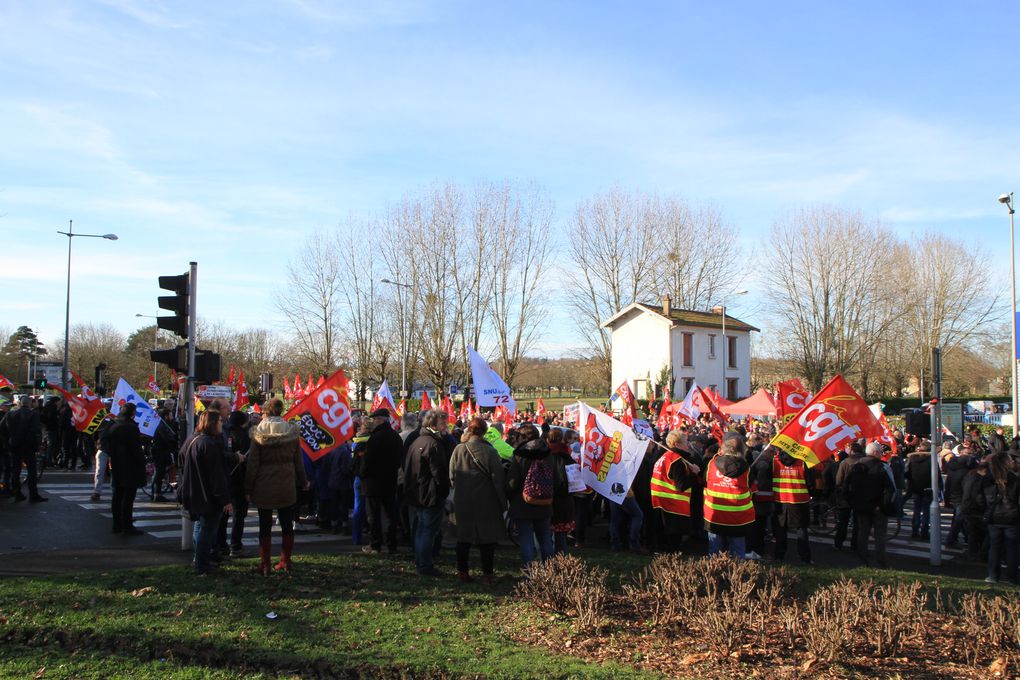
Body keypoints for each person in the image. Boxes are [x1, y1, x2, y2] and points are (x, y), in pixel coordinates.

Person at [244, 398, 308, 575]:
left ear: (266, 411)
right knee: (287, 523)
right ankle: (285, 560)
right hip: (286, 483)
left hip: (264, 484)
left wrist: (248, 488)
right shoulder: (291, 432)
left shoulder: (258, 433)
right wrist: (304, 481)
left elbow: (253, 465)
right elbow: (298, 462)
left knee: (264, 525)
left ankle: (265, 564)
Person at [449, 417, 507, 583]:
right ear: (484, 431)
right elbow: (498, 478)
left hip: (463, 500)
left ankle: (462, 572)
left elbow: (452, 476)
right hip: (485, 499)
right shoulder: (490, 451)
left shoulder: (458, 449)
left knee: (463, 538)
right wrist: (502, 501)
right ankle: (487, 574)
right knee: (486, 540)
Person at [179, 410, 233, 575]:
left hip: (196, 492)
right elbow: (216, 477)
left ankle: (200, 560)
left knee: (202, 528)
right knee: (207, 530)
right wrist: (225, 500)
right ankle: (202, 564)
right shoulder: (209, 445)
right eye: (219, 422)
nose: (221, 425)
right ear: (213, 423)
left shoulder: (194, 440)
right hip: (207, 495)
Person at [403, 409, 451, 576]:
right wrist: (443, 492)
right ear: (433, 424)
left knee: (421, 529)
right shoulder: (433, 444)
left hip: (418, 492)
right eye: (443, 422)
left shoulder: (417, 441)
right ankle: (424, 565)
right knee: (427, 530)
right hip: (429, 494)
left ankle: (420, 561)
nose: (445, 426)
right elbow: (440, 474)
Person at [506, 423, 557, 566]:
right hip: (544, 502)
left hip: (523, 503)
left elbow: (512, 482)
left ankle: (529, 572)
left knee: (526, 540)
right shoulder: (548, 454)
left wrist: (510, 496)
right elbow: (556, 477)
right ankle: (549, 571)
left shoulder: (520, 455)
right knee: (545, 539)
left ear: (523, 437)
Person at [360, 408, 403, 555]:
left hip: (373, 482)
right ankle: (392, 545)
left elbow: (368, 460)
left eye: (375, 419)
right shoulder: (395, 437)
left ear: (380, 419)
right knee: (390, 514)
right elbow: (399, 460)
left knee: (374, 515)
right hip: (390, 481)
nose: (373, 422)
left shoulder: (376, 437)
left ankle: (375, 545)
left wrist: (362, 474)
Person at [703, 434, 754, 559]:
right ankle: (735, 578)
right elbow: (751, 486)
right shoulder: (746, 468)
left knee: (714, 554)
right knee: (737, 554)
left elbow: (705, 480)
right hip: (738, 518)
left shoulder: (711, 464)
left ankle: (714, 577)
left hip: (714, 515)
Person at [845, 441, 895, 567]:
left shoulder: (856, 466)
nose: (881, 454)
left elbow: (846, 487)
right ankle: (880, 562)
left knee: (862, 533)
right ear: (876, 453)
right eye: (880, 452)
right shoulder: (883, 467)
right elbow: (891, 488)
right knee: (880, 535)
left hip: (861, 506)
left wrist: (853, 502)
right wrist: (883, 505)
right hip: (878, 507)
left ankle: (863, 561)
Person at [650, 431, 699, 553]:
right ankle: (672, 556)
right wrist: (694, 473)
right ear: (677, 444)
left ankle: (660, 551)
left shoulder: (665, 456)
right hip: (673, 502)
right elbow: (681, 485)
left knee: (661, 532)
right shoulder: (677, 460)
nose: (688, 445)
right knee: (673, 536)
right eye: (685, 442)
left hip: (660, 499)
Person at [977, 451, 1020, 584]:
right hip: (1011, 516)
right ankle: (1010, 577)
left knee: (995, 547)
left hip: (994, 516)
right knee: (1011, 548)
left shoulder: (987, 478)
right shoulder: (1014, 478)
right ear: (1006, 463)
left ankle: (993, 575)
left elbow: (979, 497)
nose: (1012, 462)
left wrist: (985, 509)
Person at [103, 403, 146, 533]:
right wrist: (142, 461)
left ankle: (117, 524)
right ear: (132, 413)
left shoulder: (113, 425)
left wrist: (112, 453)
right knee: (128, 497)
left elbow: (103, 441)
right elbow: (136, 449)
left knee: (117, 495)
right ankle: (127, 525)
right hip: (130, 464)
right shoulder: (131, 427)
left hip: (116, 463)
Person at [771, 447, 813, 564]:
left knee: (780, 530)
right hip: (799, 501)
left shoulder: (775, 462)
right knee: (801, 529)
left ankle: (779, 556)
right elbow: (810, 482)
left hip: (780, 500)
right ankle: (805, 558)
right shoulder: (803, 461)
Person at [0, 396, 46, 503]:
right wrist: (38, 444)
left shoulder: (10, 414)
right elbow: (36, 430)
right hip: (29, 446)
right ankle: (33, 494)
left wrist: (8, 440)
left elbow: (2, 428)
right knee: (32, 471)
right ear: (29, 404)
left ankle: (17, 493)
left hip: (14, 444)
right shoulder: (33, 414)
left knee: (15, 470)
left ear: (20, 403)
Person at [547, 428, 575, 554]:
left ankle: (545, 563)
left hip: (547, 499)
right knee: (561, 536)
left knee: (544, 535)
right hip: (565, 500)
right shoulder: (568, 456)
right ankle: (561, 563)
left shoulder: (544, 456)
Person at [833, 441, 865, 550]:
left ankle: (838, 543)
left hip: (845, 495)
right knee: (858, 522)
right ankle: (855, 545)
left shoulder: (845, 462)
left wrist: (839, 490)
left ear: (851, 451)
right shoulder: (865, 462)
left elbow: (838, 480)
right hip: (860, 496)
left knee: (843, 521)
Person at [906, 440, 937, 540]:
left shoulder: (912, 459)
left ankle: (914, 531)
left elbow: (907, 473)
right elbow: (937, 475)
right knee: (926, 510)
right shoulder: (932, 459)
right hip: (927, 488)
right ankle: (924, 532)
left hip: (915, 487)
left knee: (917, 509)